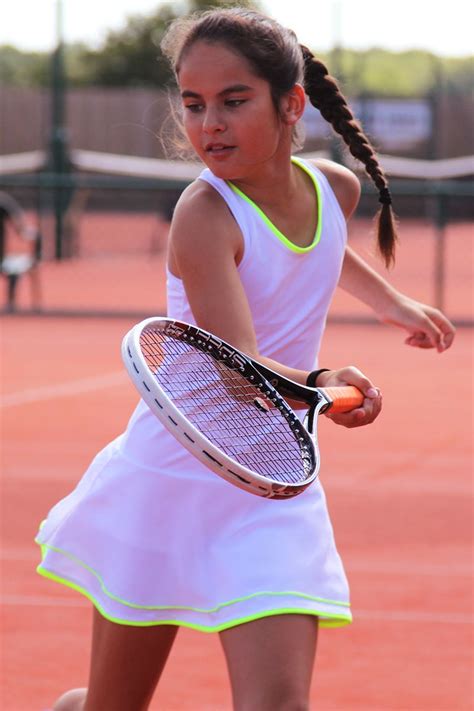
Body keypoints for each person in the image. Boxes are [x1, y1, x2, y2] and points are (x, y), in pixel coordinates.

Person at [36, 8, 455, 711]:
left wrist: (391, 302)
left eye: (234, 101)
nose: (210, 125)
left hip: (275, 479)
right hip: (169, 479)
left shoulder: (333, 187)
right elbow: (237, 370)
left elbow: (318, 242)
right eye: (194, 105)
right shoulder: (203, 215)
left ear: (291, 104)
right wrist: (323, 383)